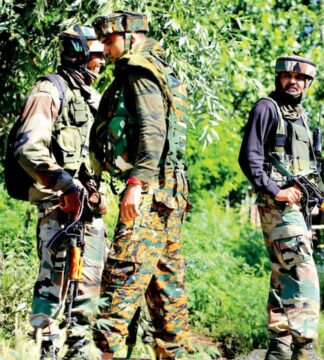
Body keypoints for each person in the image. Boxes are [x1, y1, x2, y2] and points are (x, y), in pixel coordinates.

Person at [90, 11, 191, 360]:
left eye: (108, 40)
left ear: (131, 36)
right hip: (170, 192)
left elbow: (152, 130)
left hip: (149, 191)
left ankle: (110, 354)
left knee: (120, 282)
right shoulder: (164, 70)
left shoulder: (139, 69)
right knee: (166, 287)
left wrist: (136, 183)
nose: (104, 48)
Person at [239, 55, 324, 360]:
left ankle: (280, 347)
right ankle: (304, 347)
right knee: (302, 272)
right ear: (278, 77)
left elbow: (307, 169)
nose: (293, 81)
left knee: (283, 273)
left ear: (308, 83)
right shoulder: (266, 108)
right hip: (278, 207)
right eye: (287, 76)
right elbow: (250, 158)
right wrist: (276, 191)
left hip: (297, 208)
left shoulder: (302, 116)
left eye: (300, 78)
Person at [11, 25, 107, 359]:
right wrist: (65, 185)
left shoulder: (92, 97)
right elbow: (28, 149)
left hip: (89, 210)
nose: (101, 62)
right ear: (78, 54)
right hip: (57, 209)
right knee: (53, 288)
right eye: (95, 56)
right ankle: (46, 350)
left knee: (88, 291)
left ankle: (77, 350)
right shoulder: (49, 91)